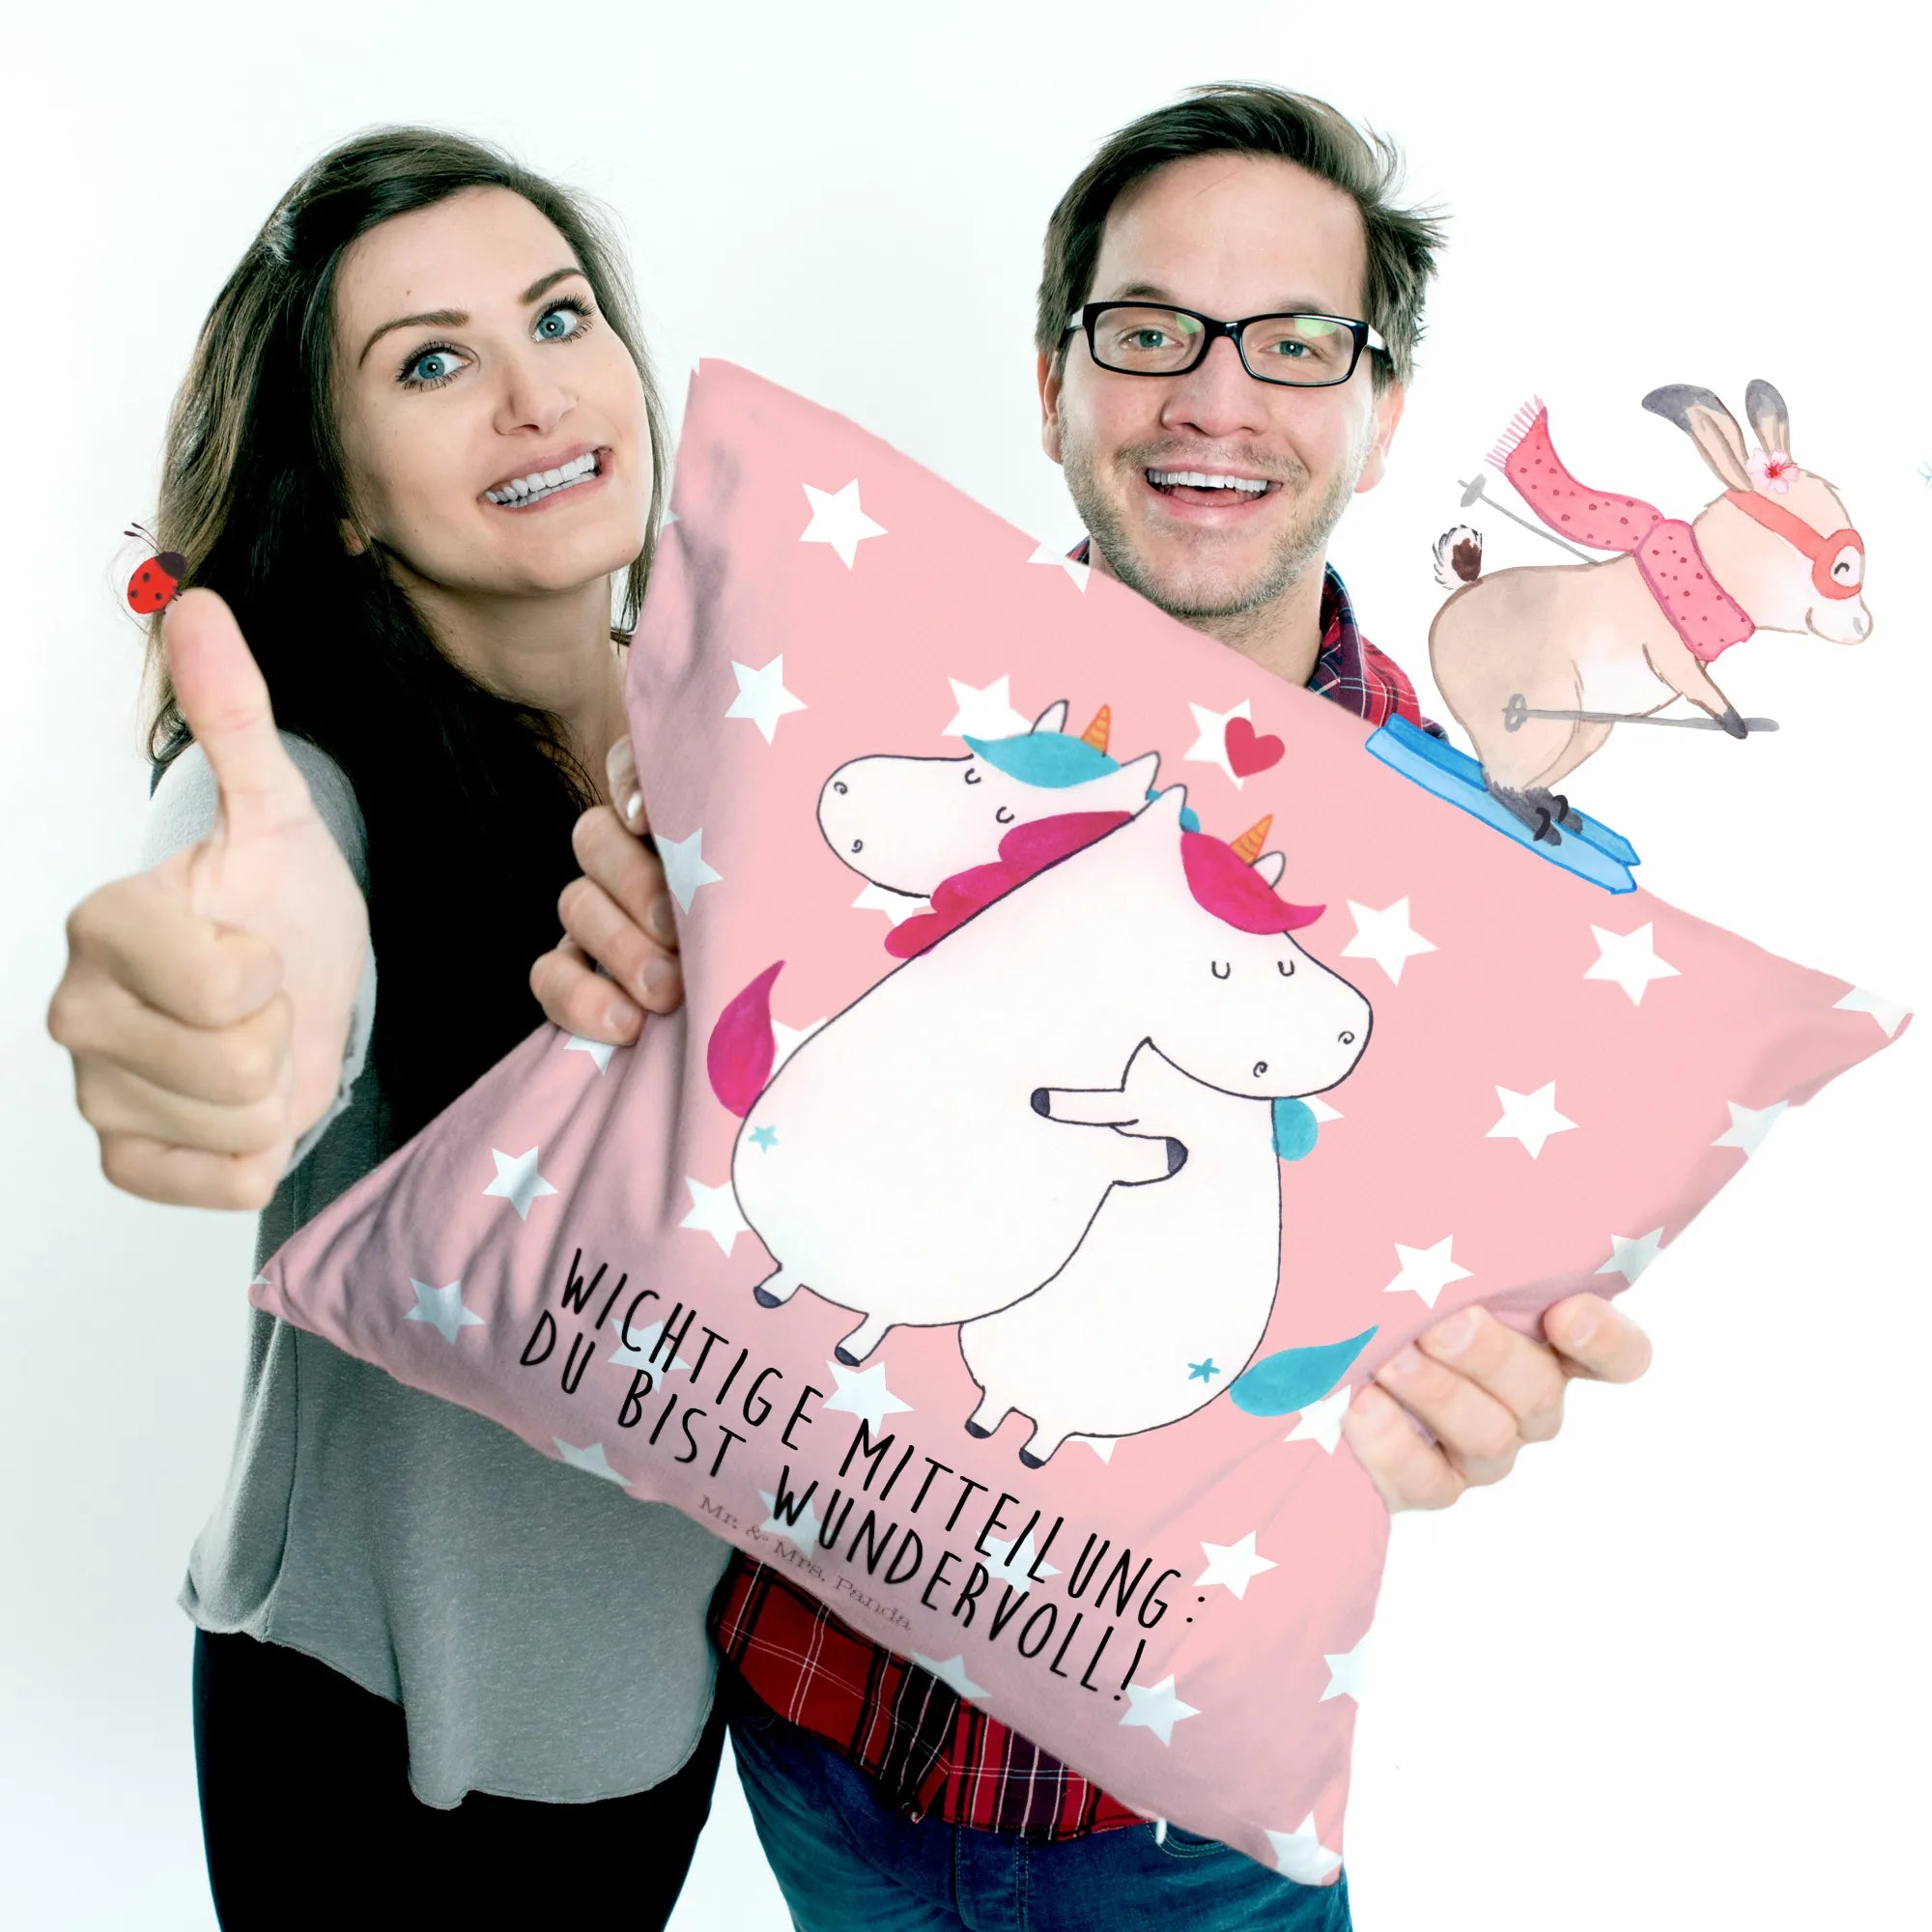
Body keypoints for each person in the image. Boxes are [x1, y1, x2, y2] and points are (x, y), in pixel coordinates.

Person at [534, 84, 1656, 1929]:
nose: (1216, 398)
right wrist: (623, 986)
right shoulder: (836, 710)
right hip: (807, 1739)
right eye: (1150, 333)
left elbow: (1424, 1327)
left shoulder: (1488, 891)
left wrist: (1470, 1394)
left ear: (1379, 418)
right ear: (1054, 383)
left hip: (1180, 1826)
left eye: (1296, 343)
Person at [44, 129, 730, 1927]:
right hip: (379, 1742)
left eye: (558, 318)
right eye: (430, 363)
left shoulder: (742, 743)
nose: (532, 395)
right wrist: (223, 1002)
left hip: (661, 1708)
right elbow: (256, 905)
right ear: (342, 494)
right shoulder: (306, 783)